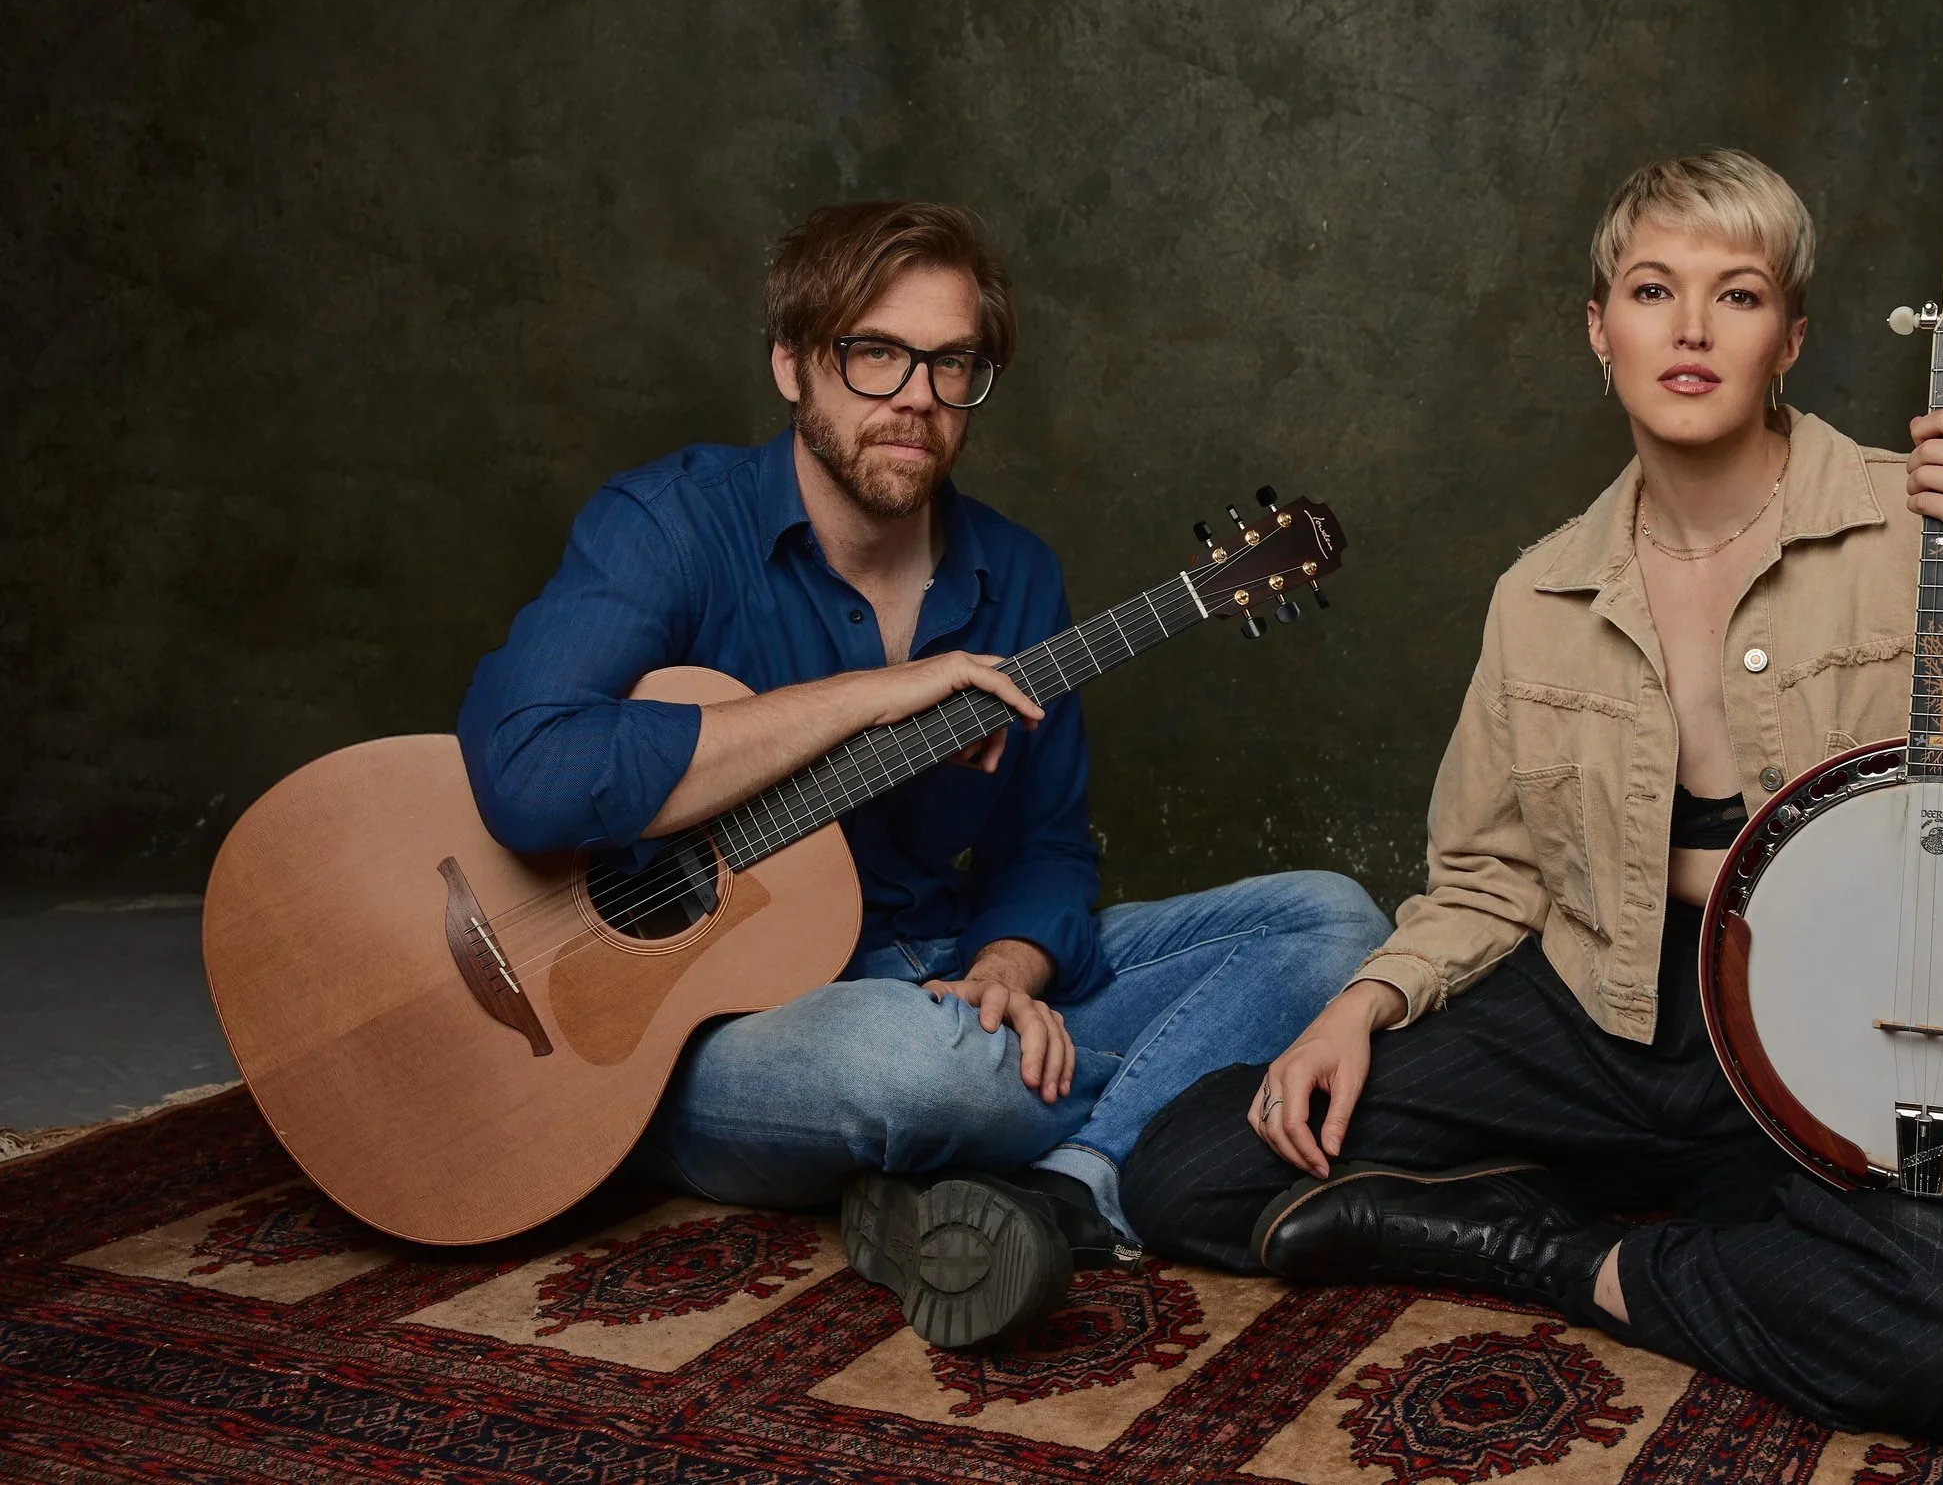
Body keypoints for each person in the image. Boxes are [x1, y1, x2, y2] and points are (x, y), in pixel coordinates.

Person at [1121, 150, 1943, 1441]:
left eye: (1736, 295)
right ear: (1599, 328)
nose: (1688, 328)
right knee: (1190, 1162)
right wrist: (1364, 1000)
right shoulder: (1539, 596)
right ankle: (1659, 1214)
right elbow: (1487, 877)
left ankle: (1568, 1257)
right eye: (1650, 289)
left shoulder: (1932, 532)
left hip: (1811, 1044)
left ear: (1788, 337)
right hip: (1591, 1017)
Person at [456, 200, 1389, 1349]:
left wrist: (1009, 964)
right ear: (793, 363)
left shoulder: (1014, 575)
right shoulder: (667, 525)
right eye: (874, 353)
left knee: (1332, 924)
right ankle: (1193, 1099)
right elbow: (528, 772)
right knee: (926, 1067)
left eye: (952, 364)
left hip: (943, 976)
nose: (916, 396)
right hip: (699, 1031)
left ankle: (1067, 1185)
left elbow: (1044, 844)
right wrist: (867, 697)